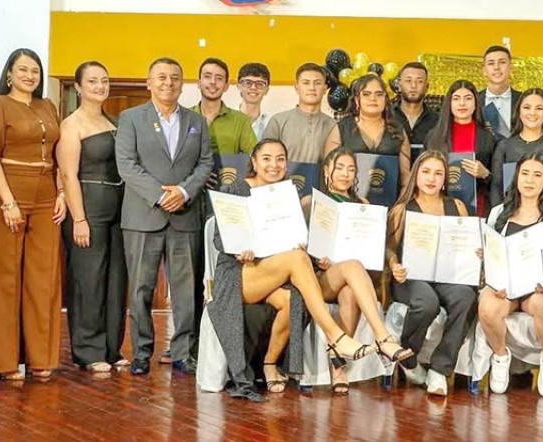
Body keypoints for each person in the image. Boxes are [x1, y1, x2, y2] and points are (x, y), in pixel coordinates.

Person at [208, 139, 377, 401]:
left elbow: (293, 241)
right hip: (240, 274)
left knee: (292, 296)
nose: (273, 165)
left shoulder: (287, 196)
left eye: (280, 159)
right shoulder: (235, 189)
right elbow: (221, 238)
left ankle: (269, 363)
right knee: (297, 259)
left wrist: (302, 242)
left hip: (276, 276)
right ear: (253, 161)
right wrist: (240, 248)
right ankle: (336, 335)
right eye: (266, 158)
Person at [114, 57, 215, 376]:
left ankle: (184, 352)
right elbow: (127, 165)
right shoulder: (130, 118)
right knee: (141, 289)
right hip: (143, 216)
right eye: (161, 77)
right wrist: (160, 195)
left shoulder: (196, 121)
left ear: (182, 84)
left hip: (185, 217)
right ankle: (141, 352)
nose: (168, 83)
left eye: (174, 77)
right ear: (148, 82)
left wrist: (183, 193)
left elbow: (205, 164)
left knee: (185, 291)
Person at [0, 48, 67, 380]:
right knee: (5, 277)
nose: (30, 76)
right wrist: (7, 202)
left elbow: (59, 155)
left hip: (47, 194)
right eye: (23, 70)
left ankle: (40, 358)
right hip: (9, 190)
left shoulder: (48, 106)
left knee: (43, 278)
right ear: (10, 74)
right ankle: (5, 362)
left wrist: (62, 194)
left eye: (35, 71)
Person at [299, 147, 414, 393]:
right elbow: (297, 246)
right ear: (327, 170)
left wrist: (392, 264)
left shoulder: (362, 204)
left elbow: (377, 247)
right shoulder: (311, 202)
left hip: (351, 277)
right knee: (352, 266)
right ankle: (383, 338)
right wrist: (316, 256)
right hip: (318, 278)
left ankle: (337, 364)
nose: (345, 174)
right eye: (339, 168)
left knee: (351, 290)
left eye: (351, 169)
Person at [478, 152, 543, 395]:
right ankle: (500, 356)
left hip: (537, 288)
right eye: (525, 174)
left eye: (537, 175)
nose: (530, 180)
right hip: (505, 288)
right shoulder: (499, 212)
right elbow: (492, 253)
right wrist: (488, 263)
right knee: (487, 307)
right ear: (516, 177)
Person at [386, 150, 478, 396]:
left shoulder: (456, 206)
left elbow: (468, 244)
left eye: (438, 173)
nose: (431, 178)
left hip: (447, 276)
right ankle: (408, 356)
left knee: (466, 297)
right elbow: (390, 249)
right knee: (427, 303)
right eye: (426, 172)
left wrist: (475, 253)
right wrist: (395, 266)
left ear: (445, 178)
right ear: (416, 174)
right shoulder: (402, 209)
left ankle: (439, 369)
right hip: (411, 277)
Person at [57, 61, 128, 373]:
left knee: (115, 280)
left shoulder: (114, 122)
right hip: (88, 207)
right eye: (93, 81)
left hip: (118, 208)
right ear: (78, 87)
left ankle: (112, 348)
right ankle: (87, 350)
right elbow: (68, 175)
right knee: (89, 280)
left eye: (104, 80)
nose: (100, 86)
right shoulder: (71, 125)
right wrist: (80, 219)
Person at [491, 88, 543, 208]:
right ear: (518, 111)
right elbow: (496, 187)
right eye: (527, 107)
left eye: (539, 108)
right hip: (511, 216)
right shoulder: (505, 146)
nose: (533, 113)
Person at [423, 79, 495, 217]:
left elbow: (498, 181)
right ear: (449, 103)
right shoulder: (434, 136)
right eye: (456, 98)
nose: (462, 103)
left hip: (477, 208)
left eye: (468, 98)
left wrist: (485, 174)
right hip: (440, 208)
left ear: (476, 103)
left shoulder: (488, 138)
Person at [324, 74, 411, 188]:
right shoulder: (341, 129)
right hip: (348, 202)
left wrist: (400, 204)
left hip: (391, 202)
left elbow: (406, 178)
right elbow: (329, 175)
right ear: (356, 100)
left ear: (385, 99)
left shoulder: (398, 131)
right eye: (366, 94)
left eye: (379, 94)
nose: (373, 99)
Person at [262, 63, 335, 164]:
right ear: (297, 87)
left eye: (317, 83)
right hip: (284, 179)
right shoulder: (278, 121)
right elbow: (266, 160)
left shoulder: (333, 126)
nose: (312, 88)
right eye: (306, 83)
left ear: (324, 88)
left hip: (319, 179)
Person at [193, 57, 257, 156]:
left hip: (229, 171)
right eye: (207, 76)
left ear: (226, 86)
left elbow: (254, 156)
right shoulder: (185, 117)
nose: (213, 82)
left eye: (219, 78)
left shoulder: (240, 120)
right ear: (198, 82)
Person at [391, 62, 438, 161]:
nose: (413, 86)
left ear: (427, 86)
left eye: (419, 81)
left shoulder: (438, 121)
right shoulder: (387, 117)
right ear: (399, 85)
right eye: (408, 81)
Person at [478, 45, 522, 140]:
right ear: (484, 70)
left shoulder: (523, 100)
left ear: (510, 68)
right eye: (491, 63)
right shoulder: (474, 100)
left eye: (502, 62)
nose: (496, 67)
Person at [237, 62, 271, 140]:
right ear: (239, 86)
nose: (253, 87)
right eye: (248, 83)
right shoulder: (226, 119)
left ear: (267, 89)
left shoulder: (270, 124)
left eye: (259, 84)